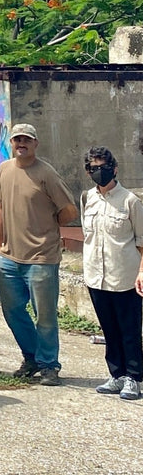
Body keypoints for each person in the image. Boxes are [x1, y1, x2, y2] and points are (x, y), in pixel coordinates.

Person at [0, 123, 77, 385]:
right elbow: (2, 208)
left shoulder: (45, 173)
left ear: (35, 144)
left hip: (41, 257)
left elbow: (69, 210)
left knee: (46, 316)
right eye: (17, 140)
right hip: (9, 257)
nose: (21, 144)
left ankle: (50, 365)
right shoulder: (4, 170)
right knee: (13, 311)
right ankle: (32, 358)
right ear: (11, 143)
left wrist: (48, 227)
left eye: (26, 140)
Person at [79, 146, 143, 400]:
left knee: (129, 330)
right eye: (94, 169)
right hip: (96, 275)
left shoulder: (130, 200)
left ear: (114, 168)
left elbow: (141, 239)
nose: (100, 173)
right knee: (109, 329)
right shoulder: (87, 198)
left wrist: (141, 271)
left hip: (124, 276)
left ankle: (134, 378)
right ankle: (116, 375)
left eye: (104, 168)